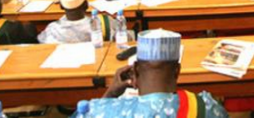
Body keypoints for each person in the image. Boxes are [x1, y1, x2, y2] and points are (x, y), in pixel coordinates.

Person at [90, 29, 228, 117]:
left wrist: (111, 93)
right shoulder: (206, 108)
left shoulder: (105, 111)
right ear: (177, 71)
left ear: (135, 70)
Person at [38, 0, 113, 44]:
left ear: (61, 6)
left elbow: (42, 43)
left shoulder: (52, 30)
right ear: (86, 4)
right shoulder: (105, 24)